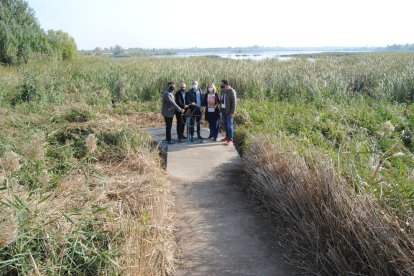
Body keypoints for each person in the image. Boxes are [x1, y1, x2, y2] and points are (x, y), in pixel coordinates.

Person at [219, 79, 237, 146]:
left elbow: (234, 103)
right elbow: (221, 101)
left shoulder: (231, 91)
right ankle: (227, 137)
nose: (220, 85)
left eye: (221, 84)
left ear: (225, 84)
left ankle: (230, 140)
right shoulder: (223, 91)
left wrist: (232, 112)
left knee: (229, 126)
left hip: (229, 112)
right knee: (225, 125)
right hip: (223, 111)